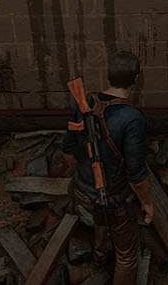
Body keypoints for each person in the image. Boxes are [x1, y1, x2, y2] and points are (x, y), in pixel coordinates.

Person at [61, 51, 155, 285]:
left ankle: (100, 254)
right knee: (127, 256)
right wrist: (147, 203)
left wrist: (85, 176)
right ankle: (104, 254)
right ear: (135, 79)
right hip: (114, 199)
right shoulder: (132, 117)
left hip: (83, 191)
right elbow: (136, 175)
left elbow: (67, 149)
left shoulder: (87, 102)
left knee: (99, 218)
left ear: (108, 75)